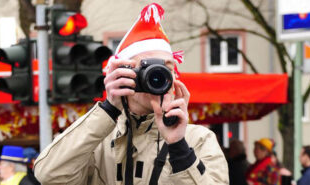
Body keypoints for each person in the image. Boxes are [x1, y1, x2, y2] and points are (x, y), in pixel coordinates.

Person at [34, 3, 229, 185]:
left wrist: (179, 147)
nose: (158, 76)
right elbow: (49, 176)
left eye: (166, 69)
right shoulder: (96, 140)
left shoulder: (198, 139)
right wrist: (108, 109)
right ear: (123, 74)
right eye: (147, 68)